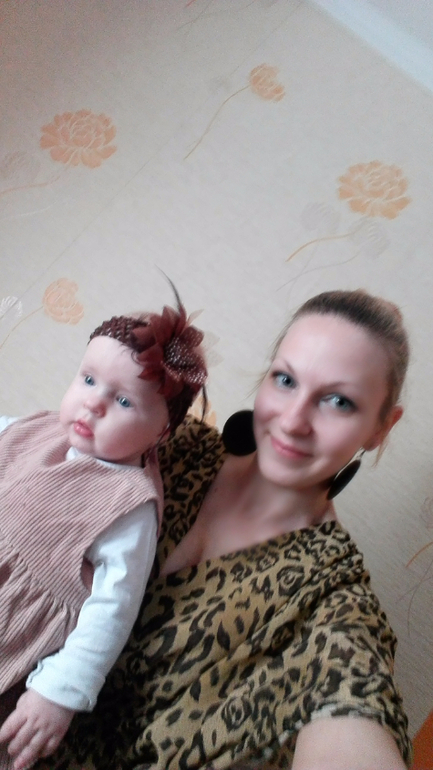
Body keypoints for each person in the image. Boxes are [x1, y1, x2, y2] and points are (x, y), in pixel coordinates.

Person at [37, 288, 412, 770]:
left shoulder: (332, 601)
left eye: (339, 401)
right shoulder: (161, 448)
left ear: (381, 427)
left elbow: (354, 704)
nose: (293, 420)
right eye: (285, 380)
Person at [0, 296, 207, 770]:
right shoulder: (39, 429)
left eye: (123, 400)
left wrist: (59, 691)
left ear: (161, 433)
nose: (93, 402)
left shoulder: (129, 504)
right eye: (88, 379)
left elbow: (113, 609)